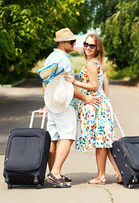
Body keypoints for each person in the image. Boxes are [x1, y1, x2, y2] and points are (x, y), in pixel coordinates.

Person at [42, 28, 99, 188]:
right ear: (62, 43)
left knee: (53, 137)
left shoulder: (50, 58)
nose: (75, 44)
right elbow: (67, 85)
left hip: (53, 103)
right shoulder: (64, 61)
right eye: (71, 41)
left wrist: (47, 101)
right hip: (64, 103)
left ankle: (52, 172)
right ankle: (55, 173)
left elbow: (44, 80)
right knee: (68, 135)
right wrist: (85, 97)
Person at [65, 33, 122, 184]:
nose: (87, 48)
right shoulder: (97, 63)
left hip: (96, 105)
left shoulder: (91, 64)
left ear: (97, 48)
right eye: (86, 44)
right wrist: (106, 103)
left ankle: (101, 176)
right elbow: (106, 83)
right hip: (101, 105)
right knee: (103, 141)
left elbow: (95, 86)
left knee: (101, 142)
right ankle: (117, 172)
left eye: (92, 45)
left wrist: (75, 82)